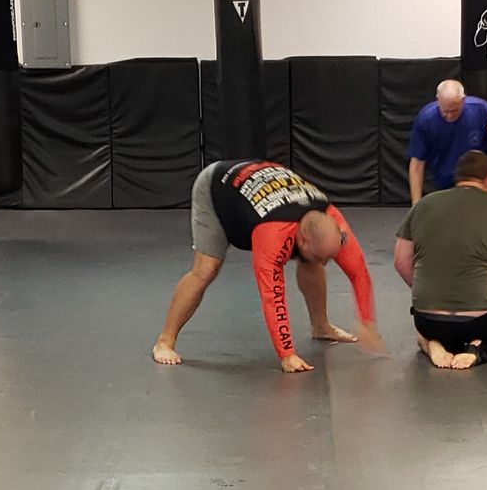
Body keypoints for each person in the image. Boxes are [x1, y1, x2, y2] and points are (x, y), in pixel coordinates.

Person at [153, 159, 386, 373]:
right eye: (322, 256)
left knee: (312, 262)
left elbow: (360, 274)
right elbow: (272, 296)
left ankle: (320, 326)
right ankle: (165, 341)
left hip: (269, 188)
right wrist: (287, 354)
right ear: (302, 240)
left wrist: (367, 321)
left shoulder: (333, 224)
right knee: (206, 269)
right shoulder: (273, 235)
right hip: (218, 189)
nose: (327, 263)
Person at [394, 150, 487, 370]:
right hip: (482, 320)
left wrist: (423, 292)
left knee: (422, 332)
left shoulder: (423, 205)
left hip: (429, 320)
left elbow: (400, 260)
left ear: (458, 177)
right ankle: (482, 351)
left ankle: (433, 344)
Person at [407, 77, 487, 204]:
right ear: (438, 100)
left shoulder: (482, 111)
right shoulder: (426, 119)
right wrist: (416, 203)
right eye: (445, 111)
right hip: (442, 181)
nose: (449, 115)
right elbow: (416, 164)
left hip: (476, 182)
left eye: (454, 110)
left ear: (463, 100)